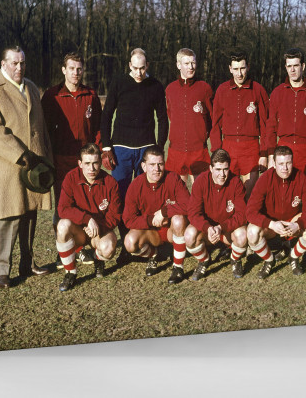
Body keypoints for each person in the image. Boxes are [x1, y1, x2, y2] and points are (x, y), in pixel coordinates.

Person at [0, 46, 54, 289]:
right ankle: (3, 270)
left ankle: (27, 262)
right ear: (3, 64)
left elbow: (39, 126)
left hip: (33, 165)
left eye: (22, 63)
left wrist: (43, 158)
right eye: (14, 63)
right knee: (7, 216)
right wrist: (21, 154)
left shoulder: (30, 86)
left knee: (29, 214)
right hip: (7, 164)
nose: (19, 67)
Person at [100, 48, 168, 262]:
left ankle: (145, 239)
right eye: (135, 68)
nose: (138, 73)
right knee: (120, 197)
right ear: (129, 65)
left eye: (142, 68)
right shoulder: (119, 82)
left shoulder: (155, 85)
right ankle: (126, 241)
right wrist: (107, 146)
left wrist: (158, 147)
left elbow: (163, 118)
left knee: (145, 196)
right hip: (121, 148)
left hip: (146, 148)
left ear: (147, 66)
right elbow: (107, 114)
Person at [41, 52, 102, 264]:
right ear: (64, 70)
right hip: (61, 160)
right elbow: (44, 131)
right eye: (72, 68)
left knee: (86, 203)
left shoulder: (90, 95)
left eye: (79, 68)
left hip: (85, 162)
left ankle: (82, 247)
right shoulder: (52, 95)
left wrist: (99, 153)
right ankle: (64, 250)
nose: (76, 72)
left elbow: (98, 128)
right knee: (63, 206)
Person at [55, 144, 122, 291]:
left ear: (100, 162)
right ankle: (70, 273)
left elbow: (115, 215)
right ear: (80, 164)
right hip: (79, 230)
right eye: (87, 163)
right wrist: (87, 219)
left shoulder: (110, 182)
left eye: (95, 163)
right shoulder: (71, 178)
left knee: (109, 248)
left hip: (100, 230)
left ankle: (98, 259)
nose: (91, 169)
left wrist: (98, 227)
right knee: (62, 226)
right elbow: (63, 209)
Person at [246, 145, 306, 278]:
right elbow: (250, 211)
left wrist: (298, 224)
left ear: (292, 162)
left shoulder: (300, 177)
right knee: (251, 232)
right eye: (281, 164)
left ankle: (294, 257)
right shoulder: (265, 179)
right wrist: (271, 224)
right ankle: (269, 260)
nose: (285, 168)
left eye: (288, 163)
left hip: (293, 222)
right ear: (274, 164)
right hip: (272, 224)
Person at [122, 146, 191, 284]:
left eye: (160, 164)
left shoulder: (173, 178)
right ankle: (153, 254)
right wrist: (151, 219)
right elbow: (128, 219)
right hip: (151, 233)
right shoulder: (136, 185)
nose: (157, 169)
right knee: (129, 243)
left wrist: (165, 212)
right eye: (152, 164)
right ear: (144, 166)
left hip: (172, 230)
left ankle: (178, 267)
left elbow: (189, 205)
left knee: (178, 219)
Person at [210, 51, 270, 199]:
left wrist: (264, 154)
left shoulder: (258, 90)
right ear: (230, 68)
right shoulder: (222, 90)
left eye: (242, 68)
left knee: (249, 195)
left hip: (251, 148)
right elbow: (215, 124)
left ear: (248, 67)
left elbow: (265, 125)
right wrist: (217, 151)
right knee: (228, 195)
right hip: (228, 147)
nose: (239, 73)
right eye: (235, 69)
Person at [185, 149, 249, 280]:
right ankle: (204, 260)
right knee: (189, 235)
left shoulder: (236, 182)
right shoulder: (201, 181)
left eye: (225, 169)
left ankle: (235, 259)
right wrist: (207, 227)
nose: (222, 174)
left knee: (242, 235)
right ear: (210, 168)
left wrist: (221, 228)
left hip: (226, 230)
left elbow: (242, 215)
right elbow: (193, 213)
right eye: (218, 169)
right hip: (207, 231)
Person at [265, 48, 306, 182]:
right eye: (289, 66)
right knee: (283, 195)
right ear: (285, 67)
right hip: (283, 150)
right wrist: (271, 155)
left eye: (296, 65)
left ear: (303, 66)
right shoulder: (277, 93)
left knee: (305, 195)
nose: (292, 70)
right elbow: (270, 127)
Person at [165, 48, 214, 187]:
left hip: (198, 150)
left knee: (201, 190)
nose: (191, 67)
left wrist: (202, 135)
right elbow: (171, 115)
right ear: (178, 65)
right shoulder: (170, 89)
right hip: (176, 149)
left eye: (193, 63)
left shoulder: (204, 88)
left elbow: (211, 117)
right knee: (176, 191)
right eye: (186, 63)